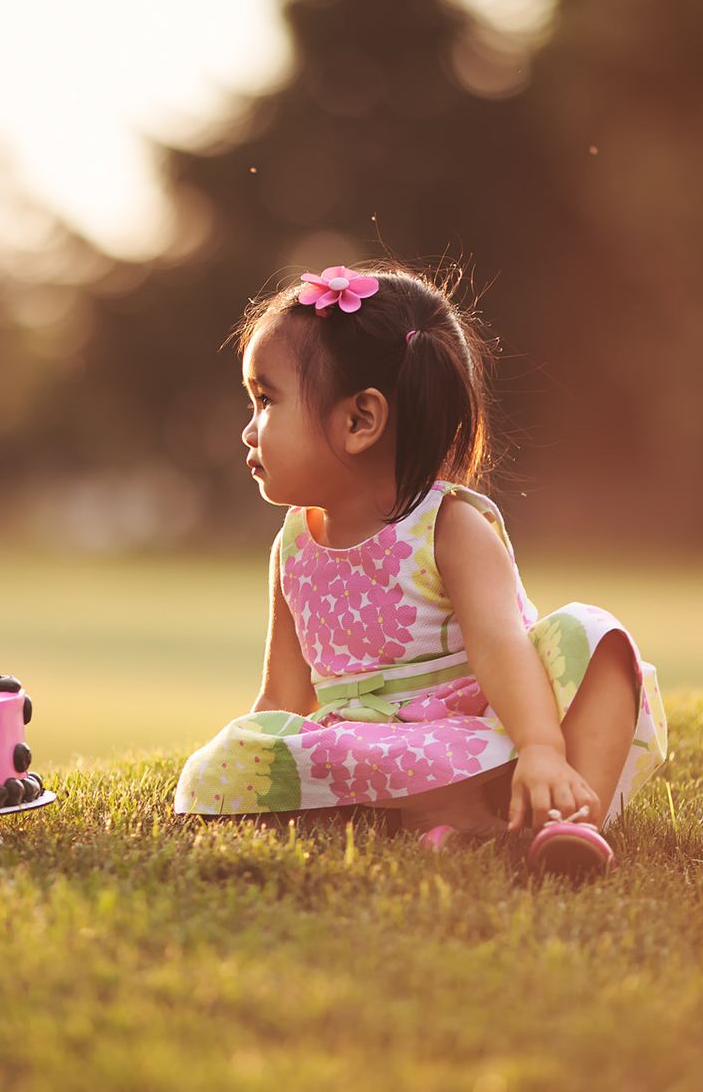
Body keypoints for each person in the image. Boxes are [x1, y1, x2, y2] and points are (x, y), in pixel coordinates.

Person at [173, 262, 670, 877]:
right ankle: (446, 824)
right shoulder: (293, 546)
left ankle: (566, 820)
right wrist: (250, 762)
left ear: (359, 422)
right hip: (370, 746)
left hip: (489, 734)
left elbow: (502, 650)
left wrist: (541, 748)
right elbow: (283, 694)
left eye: (266, 401)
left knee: (595, 638)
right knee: (236, 754)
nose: (248, 430)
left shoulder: (449, 528)